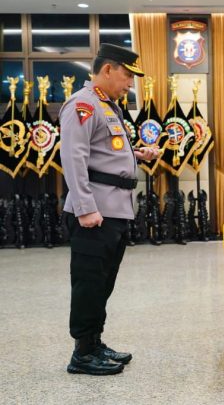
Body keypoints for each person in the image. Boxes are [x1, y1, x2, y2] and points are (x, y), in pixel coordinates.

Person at [60, 43, 159, 375]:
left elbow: (104, 151)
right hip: (95, 212)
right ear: (107, 69)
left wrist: (137, 154)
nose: (130, 83)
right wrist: (85, 208)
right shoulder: (83, 105)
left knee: (103, 283)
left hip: (114, 210)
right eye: (127, 75)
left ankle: (94, 342)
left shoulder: (107, 106)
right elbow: (73, 158)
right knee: (89, 283)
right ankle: (82, 353)